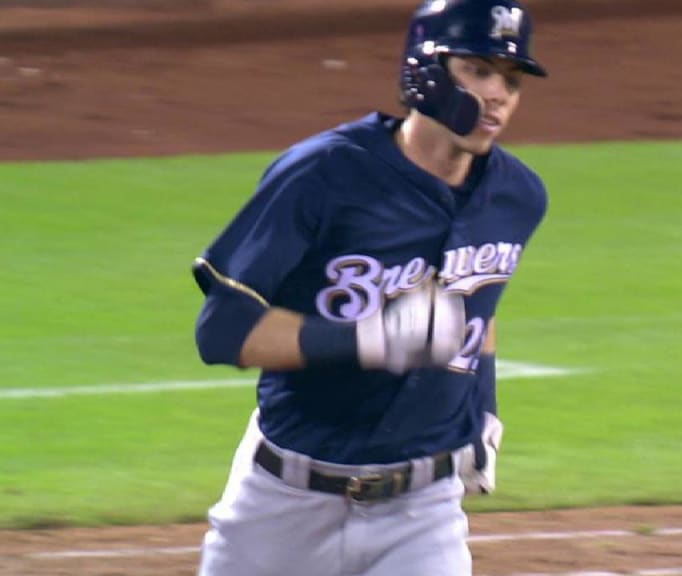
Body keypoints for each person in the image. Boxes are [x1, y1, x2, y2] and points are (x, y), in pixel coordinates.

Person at [189, 1, 548, 574]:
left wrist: (483, 413)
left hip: (422, 514)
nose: (499, 94)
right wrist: (367, 339)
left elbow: (478, 307)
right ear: (424, 72)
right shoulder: (324, 173)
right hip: (283, 505)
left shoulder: (517, 197)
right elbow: (222, 333)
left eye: (511, 79)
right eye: (479, 70)